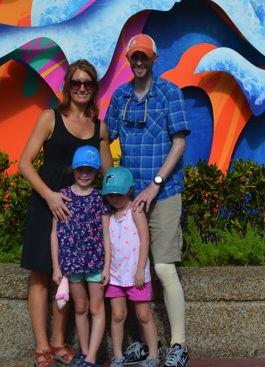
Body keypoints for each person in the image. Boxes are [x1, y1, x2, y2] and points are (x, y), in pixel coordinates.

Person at [105, 34, 191, 367]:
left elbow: (179, 143)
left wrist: (156, 184)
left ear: (154, 59)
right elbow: (104, 137)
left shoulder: (170, 93)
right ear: (129, 60)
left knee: (163, 266)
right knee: (129, 268)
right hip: (128, 200)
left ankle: (179, 345)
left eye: (144, 57)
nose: (139, 62)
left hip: (163, 192)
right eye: (134, 57)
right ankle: (144, 344)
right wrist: (108, 178)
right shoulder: (120, 97)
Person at [20, 59, 109, 367]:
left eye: (88, 84)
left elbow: (108, 176)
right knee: (42, 274)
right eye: (76, 83)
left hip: (78, 213)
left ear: (95, 89)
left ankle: (59, 342)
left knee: (69, 275)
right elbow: (24, 164)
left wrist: (123, 210)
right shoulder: (49, 117)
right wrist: (49, 196)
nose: (82, 88)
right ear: (68, 87)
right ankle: (42, 346)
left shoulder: (99, 128)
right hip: (47, 204)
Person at [51, 146, 109, 367]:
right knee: (81, 307)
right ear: (73, 169)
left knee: (96, 308)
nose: (85, 174)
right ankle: (85, 354)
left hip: (96, 262)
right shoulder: (62, 197)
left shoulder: (100, 198)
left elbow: (106, 234)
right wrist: (57, 267)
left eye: (90, 170)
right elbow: (54, 234)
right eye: (80, 169)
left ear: (96, 172)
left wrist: (107, 266)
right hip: (72, 263)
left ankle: (92, 356)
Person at [102, 166, 160, 367]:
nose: (114, 198)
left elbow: (145, 239)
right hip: (116, 275)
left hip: (137, 275)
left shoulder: (135, 211)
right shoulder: (108, 216)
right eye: (110, 194)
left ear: (129, 191)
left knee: (143, 314)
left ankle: (154, 354)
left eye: (118, 193)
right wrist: (106, 270)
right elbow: (107, 243)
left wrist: (139, 269)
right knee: (117, 315)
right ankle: (117, 355)